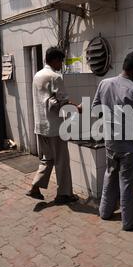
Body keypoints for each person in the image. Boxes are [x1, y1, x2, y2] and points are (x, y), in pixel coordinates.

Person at [92, 52, 133, 231]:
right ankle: (128, 222)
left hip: (110, 144)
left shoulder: (104, 83)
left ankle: (105, 212)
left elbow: (95, 109)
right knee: (126, 182)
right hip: (129, 147)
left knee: (110, 175)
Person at [28, 47, 81, 205]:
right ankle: (64, 195)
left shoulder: (37, 75)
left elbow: (49, 100)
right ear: (54, 60)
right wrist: (77, 108)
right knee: (62, 161)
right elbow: (62, 102)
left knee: (47, 159)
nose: (61, 64)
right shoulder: (55, 77)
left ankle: (35, 187)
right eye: (60, 61)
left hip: (40, 126)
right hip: (55, 128)